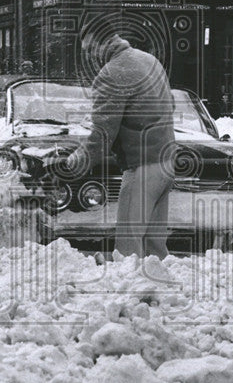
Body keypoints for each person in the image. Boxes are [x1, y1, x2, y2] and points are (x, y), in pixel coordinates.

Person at [62, 25, 176, 270]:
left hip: (143, 166)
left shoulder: (112, 73)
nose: (88, 56)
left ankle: (130, 301)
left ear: (102, 44)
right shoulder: (149, 60)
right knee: (155, 247)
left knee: (129, 249)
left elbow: (103, 133)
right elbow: (169, 105)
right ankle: (162, 296)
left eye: (90, 49)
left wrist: (75, 162)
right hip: (167, 160)